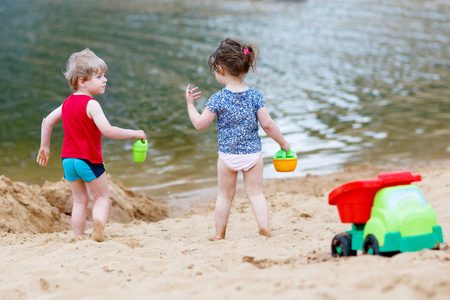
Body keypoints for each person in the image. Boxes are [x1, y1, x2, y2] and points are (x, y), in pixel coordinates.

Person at [36, 48, 146, 242]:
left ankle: (78, 237)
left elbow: (47, 122)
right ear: (83, 82)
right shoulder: (92, 104)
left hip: (68, 160)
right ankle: (98, 232)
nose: (105, 80)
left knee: (79, 200)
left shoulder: (67, 103)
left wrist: (45, 147)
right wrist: (134, 133)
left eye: (104, 75)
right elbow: (108, 131)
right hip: (88, 160)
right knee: (102, 197)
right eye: (99, 76)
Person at [185, 38, 290, 240]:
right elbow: (268, 125)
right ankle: (265, 229)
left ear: (221, 70)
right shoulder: (255, 96)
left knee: (224, 196)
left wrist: (190, 104)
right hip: (252, 155)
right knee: (256, 194)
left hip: (227, 157)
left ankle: (219, 234)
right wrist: (283, 143)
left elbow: (199, 124)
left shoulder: (217, 98)